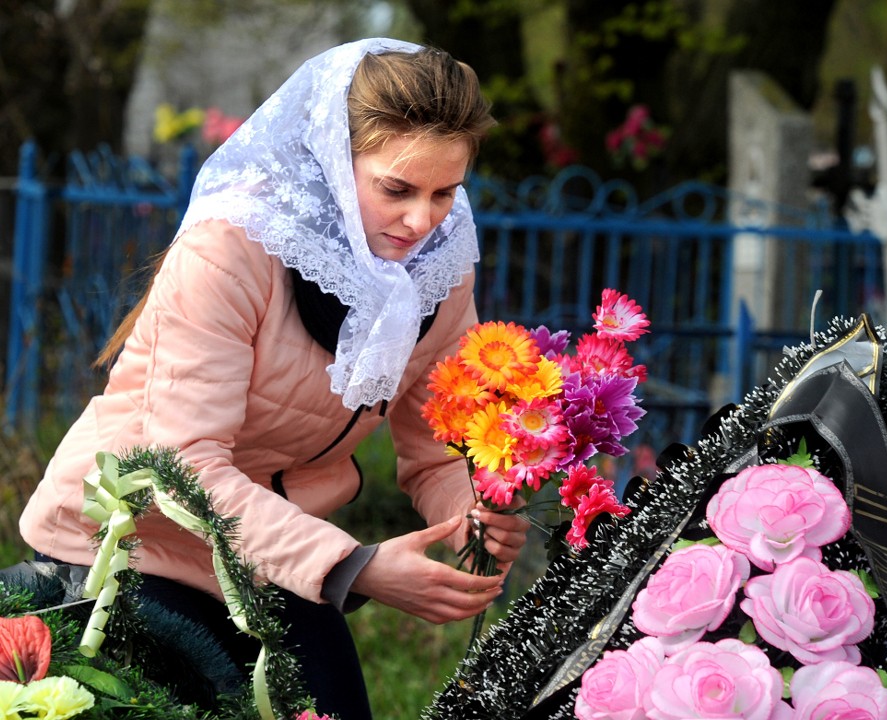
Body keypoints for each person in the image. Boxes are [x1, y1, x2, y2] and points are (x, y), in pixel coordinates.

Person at [18, 37, 529, 719]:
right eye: (397, 190)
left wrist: (468, 511)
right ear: (330, 165)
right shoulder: (231, 248)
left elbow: (437, 441)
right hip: (131, 550)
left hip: (274, 557)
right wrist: (353, 566)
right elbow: (183, 464)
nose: (422, 221)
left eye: (447, 192)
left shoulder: (439, 265)